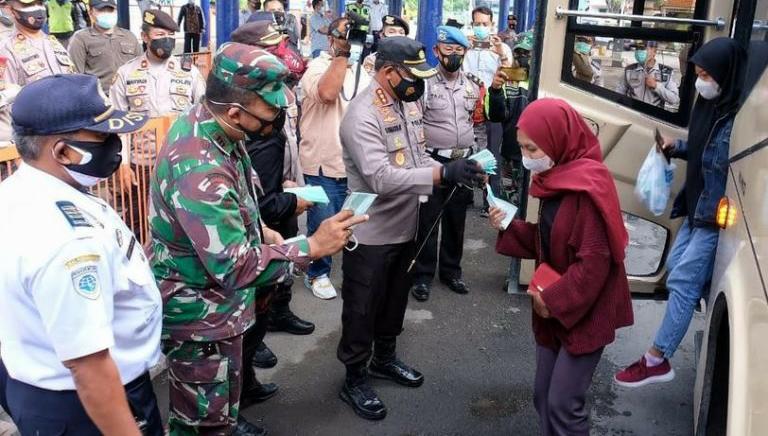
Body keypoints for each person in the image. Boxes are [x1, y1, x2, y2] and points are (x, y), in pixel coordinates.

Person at [150, 42, 367, 436]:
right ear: (236, 111)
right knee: (202, 424)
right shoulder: (200, 165)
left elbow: (238, 198)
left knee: (223, 409)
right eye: (271, 110)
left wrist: (262, 229)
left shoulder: (218, 127)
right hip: (200, 317)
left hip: (220, 310)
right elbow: (234, 266)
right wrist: (311, 247)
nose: (279, 116)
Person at [0, 73, 164, 436]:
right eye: (102, 138)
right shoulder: (68, 241)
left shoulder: (19, 191)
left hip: (38, 387)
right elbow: (89, 366)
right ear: (61, 151)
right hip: (89, 403)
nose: (115, 147)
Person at [338, 36, 485, 420]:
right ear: (388, 72)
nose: (418, 84)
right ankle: (354, 377)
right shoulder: (362, 114)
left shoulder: (406, 104)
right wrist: (440, 173)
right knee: (362, 308)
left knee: (394, 300)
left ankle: (384, 358)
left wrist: (456, 173)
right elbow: (380, 178)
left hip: (407, 225)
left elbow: (416, 155)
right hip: (370, 233)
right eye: (413, 76)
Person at [489, 98, 634, 435]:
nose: (526, 156)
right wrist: (507, 225)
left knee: (563, 405)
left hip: (583, 311)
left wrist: (551, 301)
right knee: (544, 396)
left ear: (557, 140)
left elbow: (594, 264)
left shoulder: (587, 187)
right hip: (555, 308)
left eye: (532, 148)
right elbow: (547, 240)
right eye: (522, 147)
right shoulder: (557, 178)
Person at [615, 38, 746, 388]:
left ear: (725, 74)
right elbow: (704, 149)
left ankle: (657, 358)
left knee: (683, 281)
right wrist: (679, 147)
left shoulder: (739, 118)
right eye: (698, 73)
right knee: (676, 271)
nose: (701, 81)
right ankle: (696, 308)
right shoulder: (710, 106)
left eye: (706, 74)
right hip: (694, 205)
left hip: (713, 216)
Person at [230, 20, 315, 377]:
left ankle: (278, 312)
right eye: (273, 47)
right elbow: (257, 192)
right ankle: (253, 346)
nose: (283, 52)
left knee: (279, 265)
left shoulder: (278, 87)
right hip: (264, 201)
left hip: (280, 182)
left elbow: (284, 137)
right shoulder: (247, 97)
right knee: (257, 279)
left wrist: (287, 177)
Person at [109, 9, 205, 234]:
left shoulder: (189, 73)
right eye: (160, 33)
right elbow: (118, 124)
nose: (167, 40)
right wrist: (122, 164)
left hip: (182, 161)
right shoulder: (126, 73)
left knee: (183, 221)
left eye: (171, 35)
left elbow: (204, 116)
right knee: (138, 220)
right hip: (141, 163)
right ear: (145, 37)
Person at [299, 16, 371, 300]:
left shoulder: (363, 72)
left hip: (352, 165)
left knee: (352, 220)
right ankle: (317, 272)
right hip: (322, 162)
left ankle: (343, 269)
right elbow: (328, 93)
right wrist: (342, 54)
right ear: (331, 40)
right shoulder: (316, 66)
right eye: (345, 36)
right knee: (323, 221)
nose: (352, 42)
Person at [411, 25, 484, 302]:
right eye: (448, 49)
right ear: (436, 51)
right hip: (432, 160)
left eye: (459, 50)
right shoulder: (424, 83)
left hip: (463, 161)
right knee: (427, 221)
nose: (453, 54)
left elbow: (477, 126)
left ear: (465, 51)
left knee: (456, 220)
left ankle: (452, 272)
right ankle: (422, 276)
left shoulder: (473, 84)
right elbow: (414, 125)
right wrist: (423, 163)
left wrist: (477, 159)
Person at [465, 6, 512, 217]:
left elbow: (510, 73)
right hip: (467, 106)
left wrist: (501, 54)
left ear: (492, 25)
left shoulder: (502, 49)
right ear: (472, 25)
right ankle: (464, 194)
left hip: (492, 106)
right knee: (465, 148)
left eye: (485, 24)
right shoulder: (465, 47)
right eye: (477, 24)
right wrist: (464, 48)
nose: (481, 28)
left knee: (492, 154)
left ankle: (490, 201)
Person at [68, 0, 142, 94]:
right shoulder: (81, 38)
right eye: (101, 10)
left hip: (129, 95)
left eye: (110, 10)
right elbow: (75, 76)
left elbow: (140, 69)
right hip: (99, 99)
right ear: (91, 12)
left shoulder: (129, 37)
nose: (106, 14)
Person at [615, 40, 679, 108]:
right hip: (632, 113)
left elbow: (674, 99)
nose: (638, 52)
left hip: (652, 116)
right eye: (637, 49)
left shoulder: (666, 72)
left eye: (642, 48)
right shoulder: (629, 70)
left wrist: (656, 86)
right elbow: (619, 93)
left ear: (654, 51)